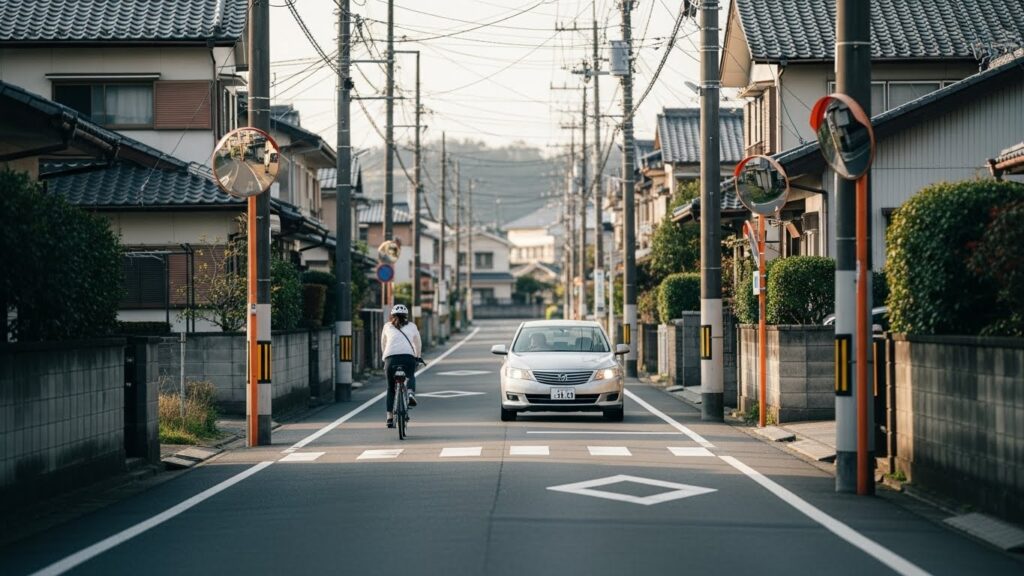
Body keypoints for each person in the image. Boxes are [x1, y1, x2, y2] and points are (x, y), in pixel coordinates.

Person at [381, 303, 422, 428]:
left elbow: (383, 343)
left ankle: (389, 418)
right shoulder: (412, 326)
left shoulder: (387, 326)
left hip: (390, 359)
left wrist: (385, 358)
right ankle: (410, 393)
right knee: (410, 375)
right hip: (407, 358)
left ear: (392, 316)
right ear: (406, 316)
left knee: (390, 388)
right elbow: (418, 343)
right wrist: (418, 357)